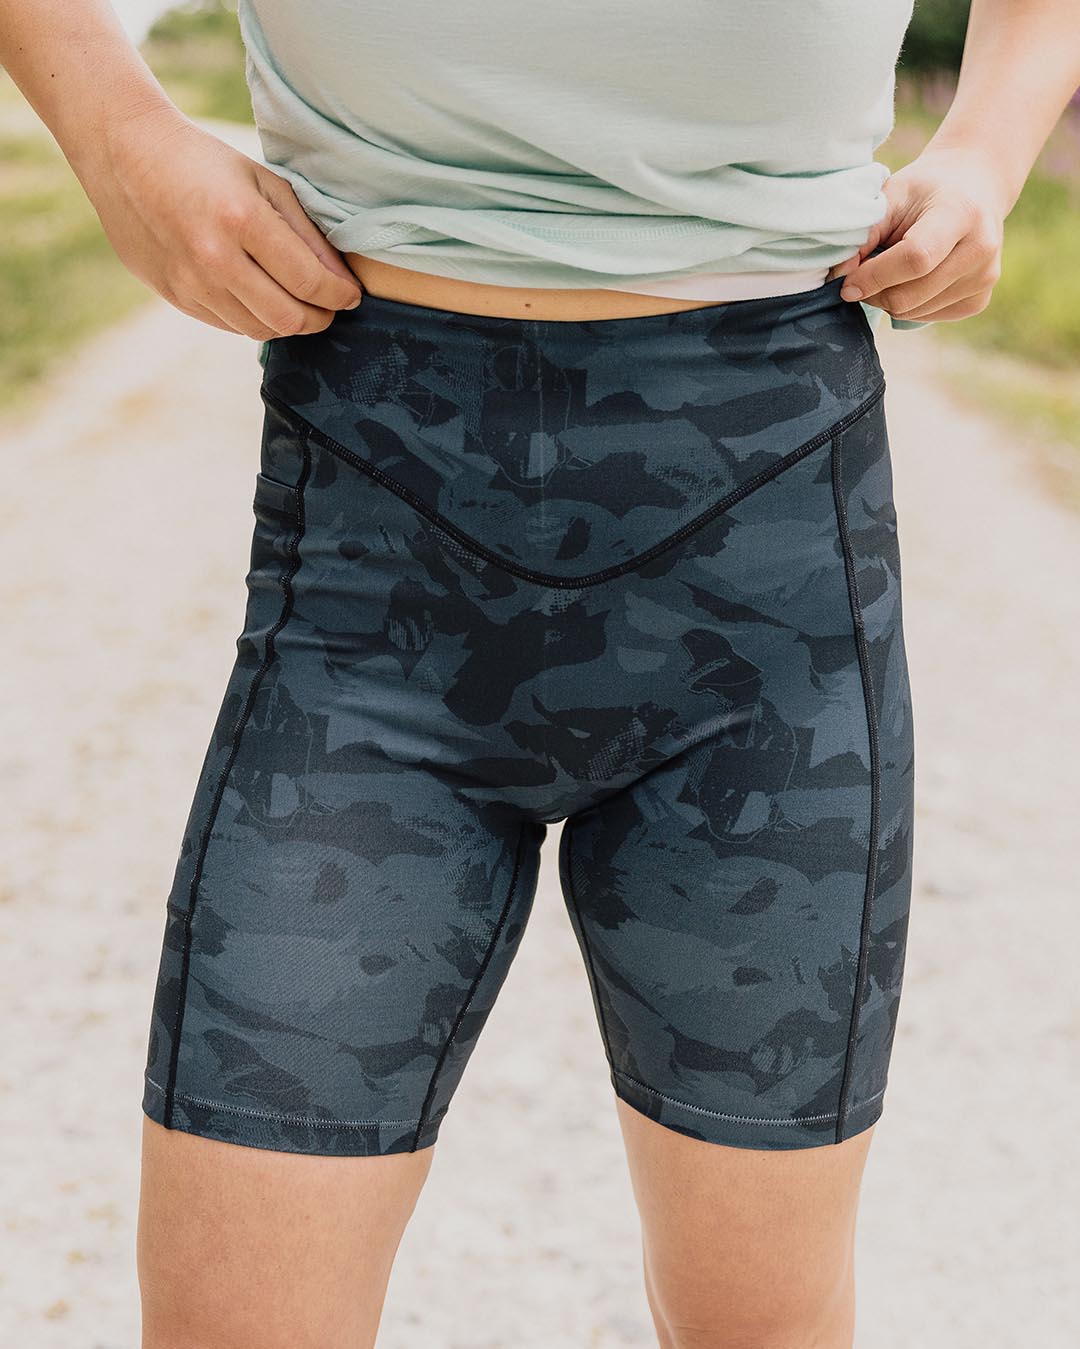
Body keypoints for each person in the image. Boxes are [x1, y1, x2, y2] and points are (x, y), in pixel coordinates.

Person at [5, 2, 1079, 1345]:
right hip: (375, 552)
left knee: (760, 1317)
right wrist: (118, 135)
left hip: (765, 563)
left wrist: (985, 150)